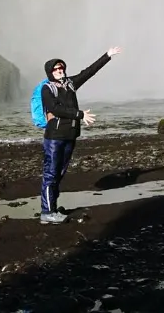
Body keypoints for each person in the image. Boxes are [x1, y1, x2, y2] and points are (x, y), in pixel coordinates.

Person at [37, 46, 121, 224]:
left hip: (70, 136)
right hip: (54, 137)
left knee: (59, 173)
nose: (60, 71)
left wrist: (107, 56)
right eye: (56, 69)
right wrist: (80, 114)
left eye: (61, 68)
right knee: (50, 174)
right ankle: (46, 212)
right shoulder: (47, 89)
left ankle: (52, 207)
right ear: (50, 72)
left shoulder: (70, 84)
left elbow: (89, 72)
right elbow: (55, 109)